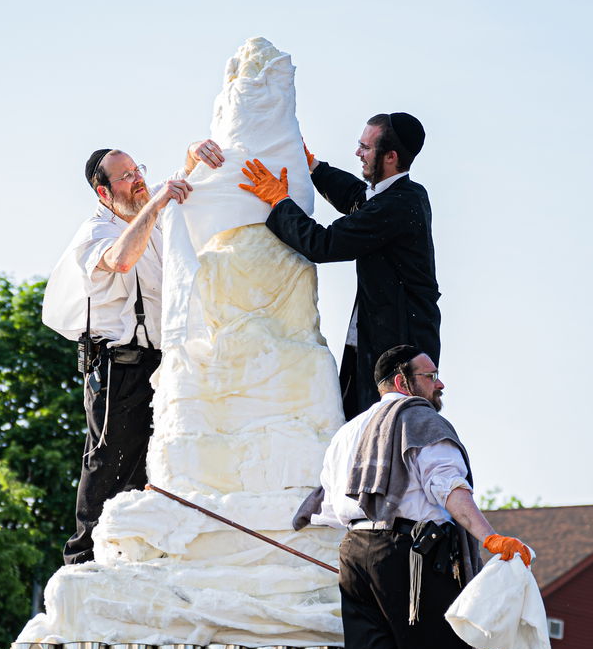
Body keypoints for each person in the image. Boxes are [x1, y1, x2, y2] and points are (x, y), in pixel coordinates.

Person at [295, 344, 533, 649]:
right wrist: (489, 538)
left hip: (357, 559)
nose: (439, 384)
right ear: (403, 382)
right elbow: (448, 486)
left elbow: (326, 507)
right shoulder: (420, 420)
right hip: (414, 559)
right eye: (430, 375)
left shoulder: (347, 432)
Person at [42, 140, 224, 565]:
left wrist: (193, 155)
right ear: (103, 192)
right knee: (108, 462)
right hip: (118, 367)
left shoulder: (147, 210)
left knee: (152, 467)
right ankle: (82, 562)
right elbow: (122, 259)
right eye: (125, 177)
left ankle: (132, 556)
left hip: (162, 365)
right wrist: (156, 203)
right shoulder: (97, 231)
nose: (137, 179)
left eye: (136, 169)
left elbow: (177, 184)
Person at [239, 113, 440, 420]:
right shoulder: (402, 196)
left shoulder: (397, 206)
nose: (357, 153)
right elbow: (358, 198)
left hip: (398, 356)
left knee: (382, 436)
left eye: (365, 148)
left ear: (390, 156)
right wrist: (314, 168)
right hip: (379, 344)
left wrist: (280, 202)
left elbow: (323, 244)